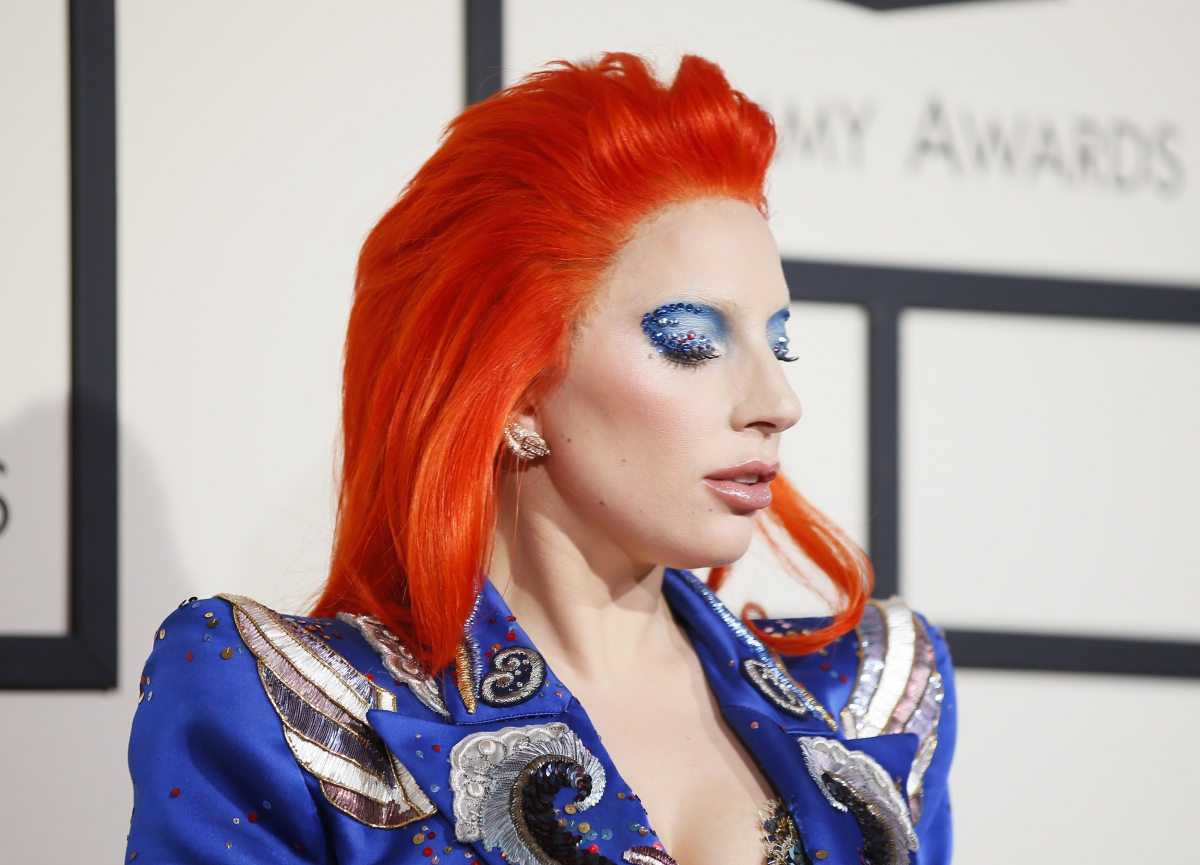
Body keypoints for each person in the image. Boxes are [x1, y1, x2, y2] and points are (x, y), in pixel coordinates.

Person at [126, 53, 955, 865]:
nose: (778, 402)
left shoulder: (868, 697)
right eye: (694, 342)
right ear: (517, 387)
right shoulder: (284, 707)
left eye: (780, 344)